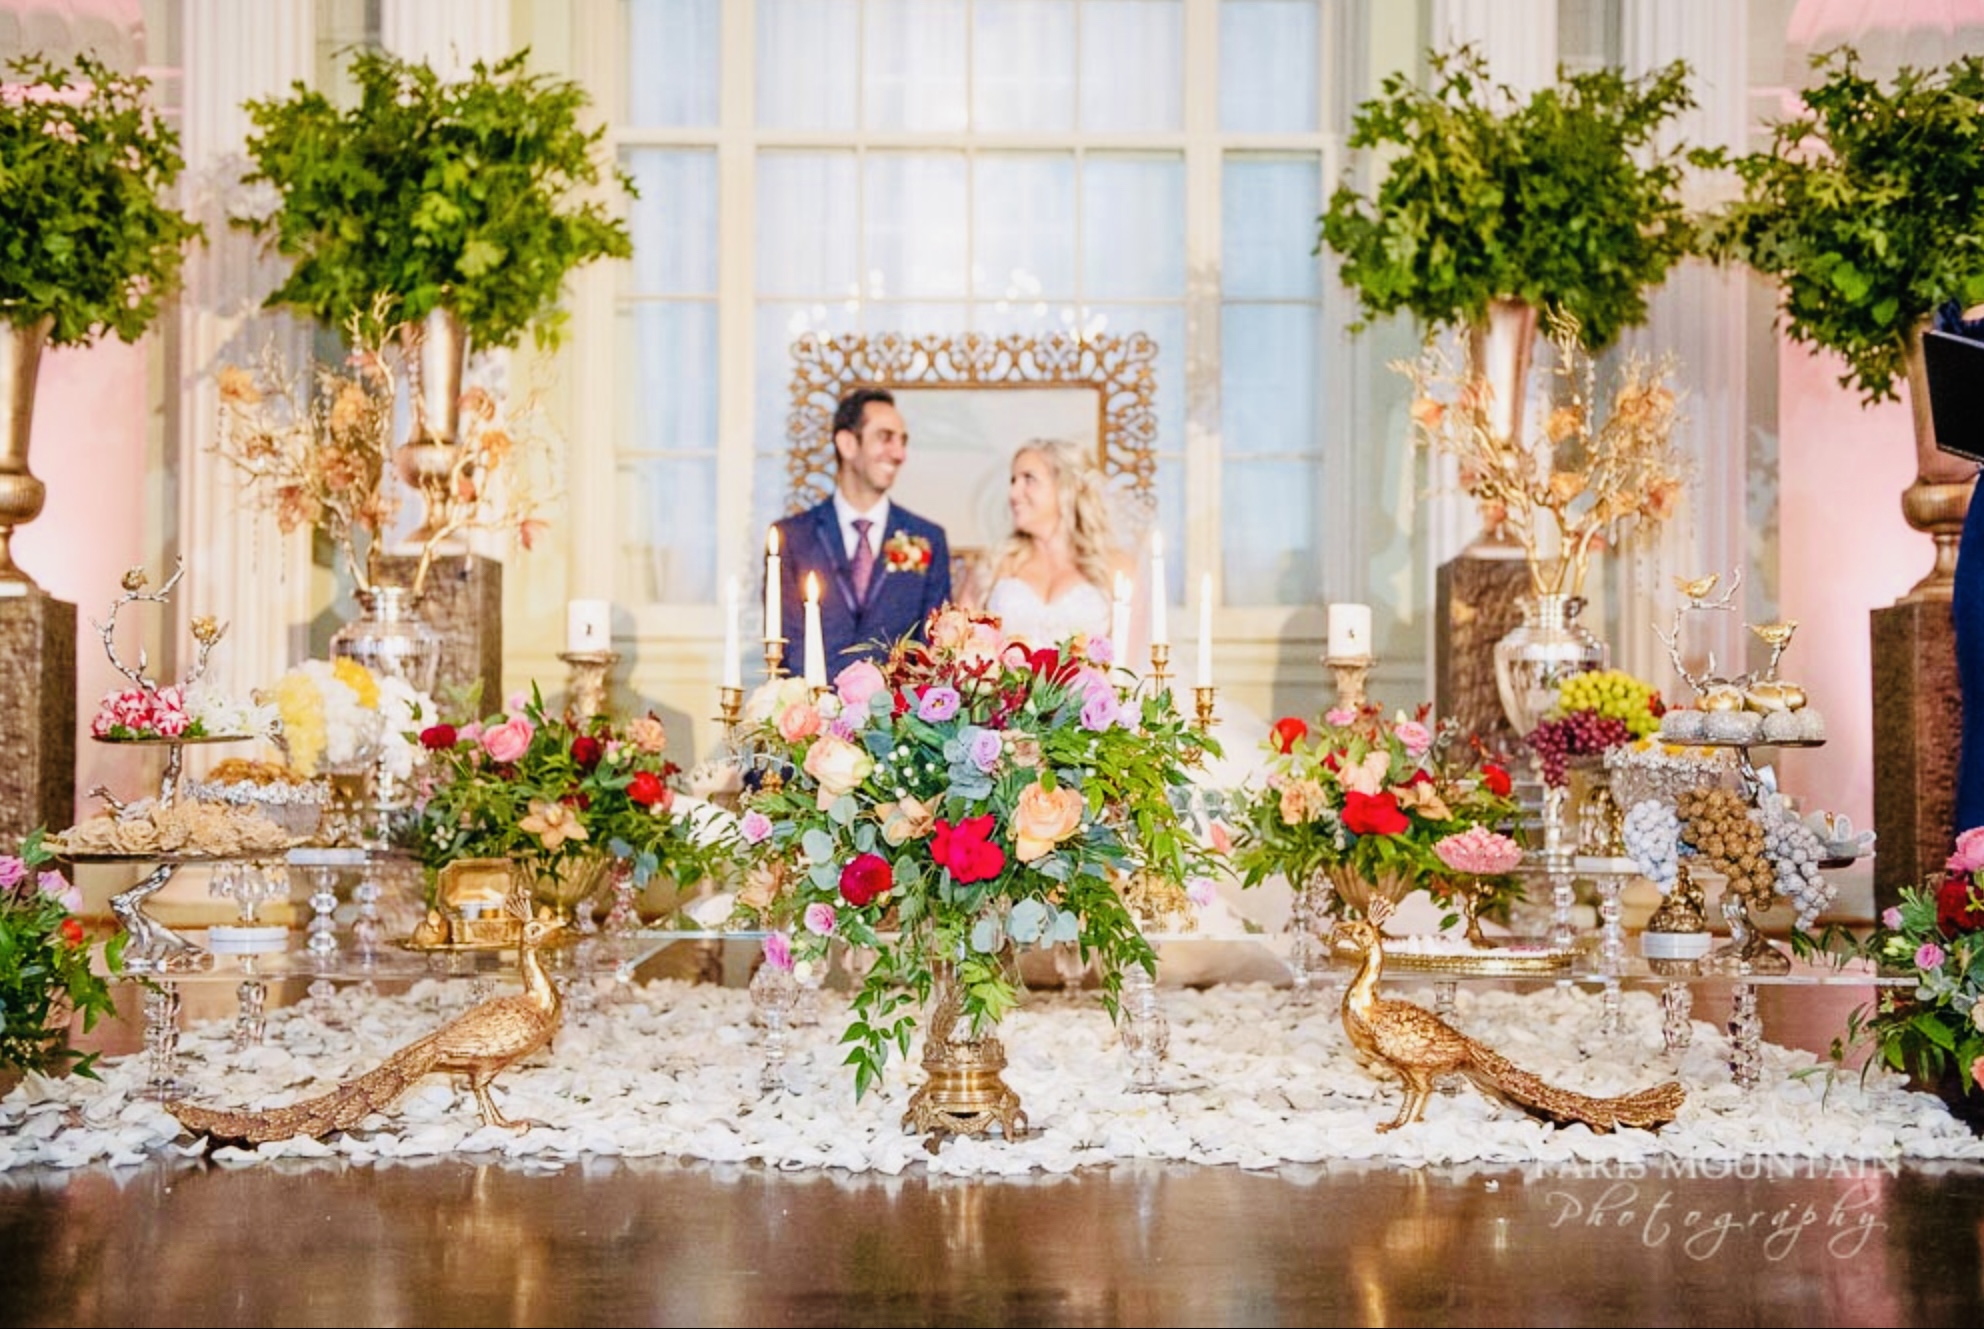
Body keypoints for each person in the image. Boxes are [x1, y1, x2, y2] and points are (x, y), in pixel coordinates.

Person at [769, 387, 952, 676]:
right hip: (815, 711)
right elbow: (787, 647)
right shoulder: (791, 538)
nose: (899, 453)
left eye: (903, 441)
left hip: (896, 716)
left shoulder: (929, 539)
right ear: (847, 443)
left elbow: (932, 650)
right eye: (885, 437)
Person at [982, 438, 1134, 649]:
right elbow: (957, 655)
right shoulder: (994, 566)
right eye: (1013, 481)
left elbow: (1131, 664)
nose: (1013, 493)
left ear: (1066, 487)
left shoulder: (1117, 569)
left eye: (1029, 479)